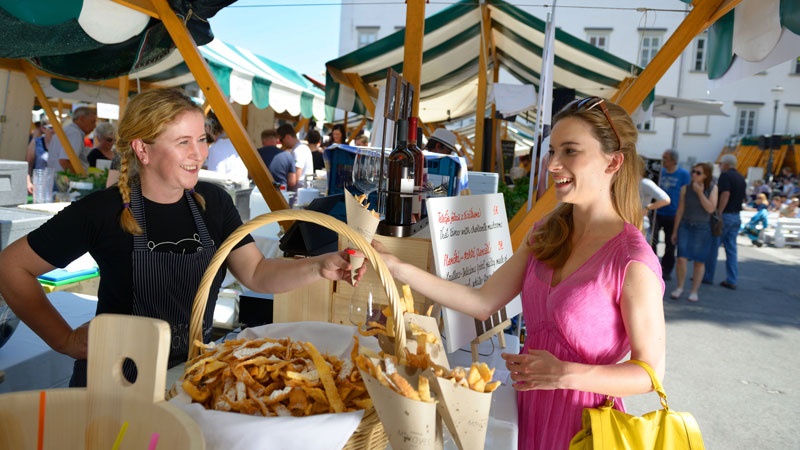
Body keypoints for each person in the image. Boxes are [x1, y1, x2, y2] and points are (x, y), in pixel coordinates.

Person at [0, 88, 363, 388]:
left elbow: (256, 272)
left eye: (202, 139)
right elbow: (11, 267)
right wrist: (63, 340)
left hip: (190, 376)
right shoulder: (101, 211)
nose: (200, 154)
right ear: (143, 149)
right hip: (114, 382)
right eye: (184, 142)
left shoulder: (214, 203)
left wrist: (320, 267)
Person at [372, 97, 665, 449]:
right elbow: (482, 302)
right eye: (552, 151)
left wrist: (564, 374)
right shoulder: (547, 231)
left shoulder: (632, 259)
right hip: (524, 409)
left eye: (570, 151)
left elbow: (650, 373)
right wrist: (396, 267)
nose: (553, 164)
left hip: (584, 427)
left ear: (613, 161)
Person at [669, 163, 718, 302]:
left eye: (698, 172)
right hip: (685, 225)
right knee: (681, 258)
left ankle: (694, 290)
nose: (694, 174)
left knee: (699, 261)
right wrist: (675, 231)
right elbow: (680, 210)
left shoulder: (713, 188)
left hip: (702, 227)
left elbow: (710, 209)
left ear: (705, 175)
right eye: (693, 171)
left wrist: (700, 193)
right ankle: (679, 287)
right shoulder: (685, 188)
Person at [703, 154, 746, 289]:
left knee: (713, 247)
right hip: (736, 216)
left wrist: (719, 212)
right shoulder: (741, 177)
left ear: (726, 164)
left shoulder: (725, 176)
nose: (720, 166)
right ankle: (732, 279)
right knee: (731, 249)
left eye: (721, 164)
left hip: (725, 215)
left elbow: (725, 194)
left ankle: (708, 276)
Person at [650, 149, 690, 280]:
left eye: (665, 158)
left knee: (670, 244)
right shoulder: (659, 173)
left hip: (673, 213)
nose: (663, 161)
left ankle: (666, 271)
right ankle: (653, 266)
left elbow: (686, 196)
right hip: (658, 212)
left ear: (674, 160)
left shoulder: (683, 175)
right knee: (652, 241)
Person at [48, 105, 97, 172]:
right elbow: (65, 161)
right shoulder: (75, 133)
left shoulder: (67, 130)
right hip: (64, 179)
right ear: (81, 119)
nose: (94, 126)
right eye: (92, 122)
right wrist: (77, 178)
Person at [204, 112, 249, 184]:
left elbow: (214, 177)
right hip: (243, 186)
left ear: (209, 128)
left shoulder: (214, 148)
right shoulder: (237, 143)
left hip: (228, 189)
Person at [639, 159, 671, 241]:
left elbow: (665, 199)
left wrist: (647, 207)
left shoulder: (645, 183)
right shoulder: (627, 183)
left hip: (640, 227)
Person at [277, 123, 314, 188]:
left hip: (298, 191)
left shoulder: (298, 150)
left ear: (288, 137)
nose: (282, 143)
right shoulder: (299, 148)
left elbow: (296, 177)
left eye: (281, 140)